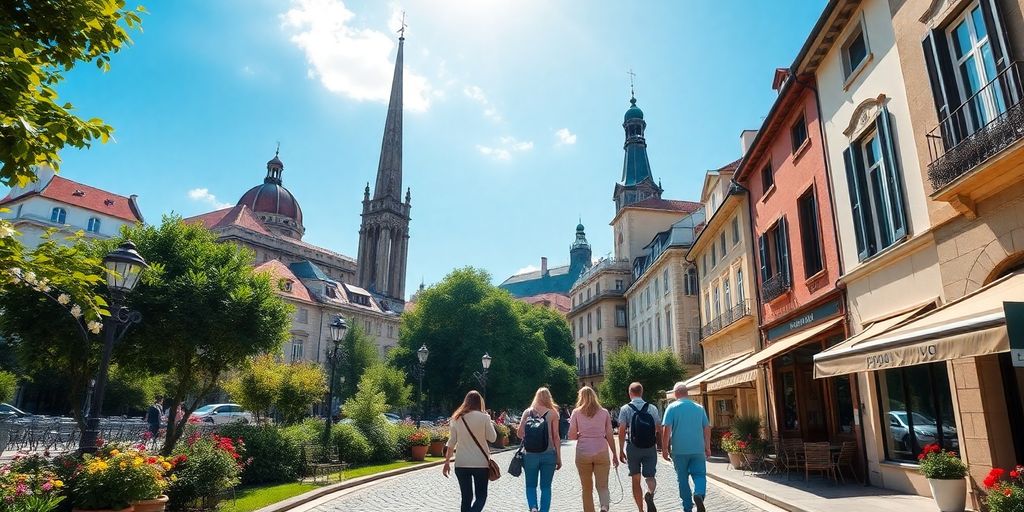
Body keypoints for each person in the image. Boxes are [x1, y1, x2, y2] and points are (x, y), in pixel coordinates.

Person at [661, 382, 712, 512]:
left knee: (682, 479)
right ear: (687, 393)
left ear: (676, 393)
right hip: (697, 449)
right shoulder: (699, 408)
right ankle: (699, 494)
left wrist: (665, 449)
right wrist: (707, 446)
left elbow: (667, 429)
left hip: (679, 450)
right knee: (700, 475)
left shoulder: (672, 408)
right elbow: (706, 428)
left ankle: (687, 507)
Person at [443, 391, 497, 512]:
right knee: (481, 497)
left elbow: (451, 442)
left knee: (466, 498)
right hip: (480, 463)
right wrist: (489, 423)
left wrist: (447, 462)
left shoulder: (456, 418)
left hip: (461, 463)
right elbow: (492, 438)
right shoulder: (484, 417)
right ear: (480, 403)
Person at [568, 386, 619, 512]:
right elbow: (609, 435)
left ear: (581, 397)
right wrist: (614, 454)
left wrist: (580, 434)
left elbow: (571, 435)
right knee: (603, 486)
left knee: (586, 489)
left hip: (583, 452)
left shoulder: (576, 412)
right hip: (601, 451)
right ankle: (604, 507)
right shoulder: (604, 412)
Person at [618, 382, 661, 512]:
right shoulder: (652, 408)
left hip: (633, 447)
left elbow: (621, 430)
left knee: (635, 479)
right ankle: (649, 493)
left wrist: (620, 449)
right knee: (650, 477)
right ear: (642, 392)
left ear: (630, 393)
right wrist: (662, 447)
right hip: (649, 447)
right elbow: (659, 428)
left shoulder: (625, 408)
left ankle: (641, 510)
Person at [517, 387, 562, 512]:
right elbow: (556, 437)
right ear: (549, 398)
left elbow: (520, 433)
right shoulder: (553, 413)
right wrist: (558, 457)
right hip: (548, 454)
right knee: (546, 487)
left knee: (531, 486)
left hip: (530, 455)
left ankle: (533, 507)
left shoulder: (528, 412)